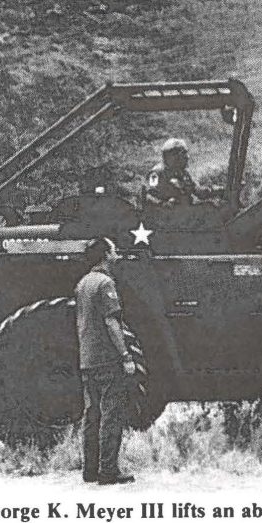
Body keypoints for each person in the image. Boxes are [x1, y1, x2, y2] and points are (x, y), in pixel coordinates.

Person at [76, 237, 136, 485]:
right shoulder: (105, 283)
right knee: (111, 415)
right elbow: (112, 322)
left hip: (87, 359)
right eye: (113, 251)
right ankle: (109, 471)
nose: (117, 255)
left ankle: (89, 470)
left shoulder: (83, 284)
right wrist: (125, 355)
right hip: (106, 359)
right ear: (105, 256)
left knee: (91, 416)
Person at [146, 138, 198, 207]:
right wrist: (164, 204)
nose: (187, 157)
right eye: (183, 154)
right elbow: (149, 196)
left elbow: (195, 190)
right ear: (174, 156)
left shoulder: (183, 173)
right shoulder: (157, 173)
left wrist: (211, 192)